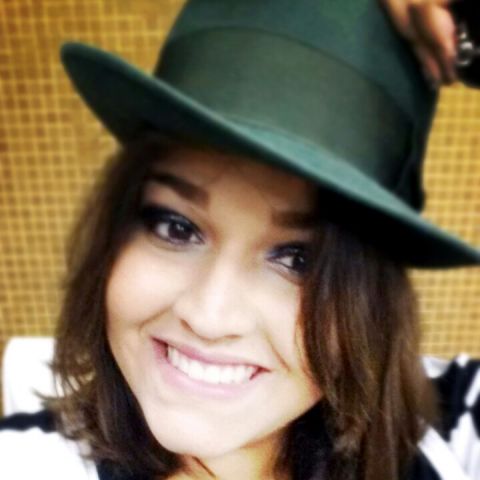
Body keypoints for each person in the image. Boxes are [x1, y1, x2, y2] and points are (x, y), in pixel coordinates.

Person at [1, 1, 479, 479]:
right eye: (176, 227)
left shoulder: (449, 424)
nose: (208, 318)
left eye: (299, 259)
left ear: (373, 299)